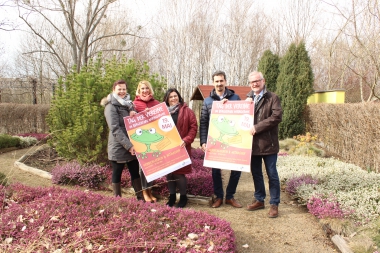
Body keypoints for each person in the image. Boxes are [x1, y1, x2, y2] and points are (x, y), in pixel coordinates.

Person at [199, 70, 243, 208]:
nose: (219, 84)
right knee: (215, 170)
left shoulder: (235, 98)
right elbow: (204, 122)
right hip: (215, 141)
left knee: (236, 169)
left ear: (225, 81)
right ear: (213, 83)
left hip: (232, 140)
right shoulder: (207, 101)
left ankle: (230, 196)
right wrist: (203, 141)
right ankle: (219, 196)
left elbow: (241, 118)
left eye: (221, 81)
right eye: (216, 81)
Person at [245, 71, 282, 218]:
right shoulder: (248, 99)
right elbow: (237, 114)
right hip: (253, 145)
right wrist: (225, 103)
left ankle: (274, 203)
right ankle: (259, 199)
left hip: (269, 144)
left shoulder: (272, 98)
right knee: (256, 174)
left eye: (257, 81)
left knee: (272, 174)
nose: (255, 84)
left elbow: (276, 117)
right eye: (252, 82)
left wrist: (257, 127)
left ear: (263, 81)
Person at [101, 79, 143, 200]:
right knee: (117, 173)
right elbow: (115, 129)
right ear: (114, 90)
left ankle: (140, 199)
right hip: (119, 147)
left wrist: (135, 113)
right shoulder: (110, 107)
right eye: (119, 89)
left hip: (132, 145)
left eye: (124, 89)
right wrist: (129, 146)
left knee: (135, 173)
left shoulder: (129, 104)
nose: (122, 91)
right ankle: (117, 200)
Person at [163, 88, 198, 208]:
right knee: (169, 173)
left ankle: (183, 197)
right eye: (171, 97)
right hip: (167, 148)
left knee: (179, 173)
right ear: (167, 99)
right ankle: (172, 196)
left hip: (181, 146)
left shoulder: (187, 111)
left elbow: (193, 127)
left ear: (179, 97)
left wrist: (186, 140)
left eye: (175, 96)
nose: (173, 98)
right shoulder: (162, 112)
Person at [133, 80, 160, 203]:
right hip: (141, 141)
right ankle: (144, 191)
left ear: (150, 89)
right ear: (139, 90)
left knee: (153, 166)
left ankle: (150, 190)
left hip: (153, 140)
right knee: (142, 168)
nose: (145, 91)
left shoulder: (156, 103)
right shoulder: (134, 104)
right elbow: (131, 123)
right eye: (142, 89)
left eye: (147, 88)